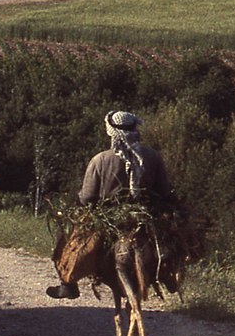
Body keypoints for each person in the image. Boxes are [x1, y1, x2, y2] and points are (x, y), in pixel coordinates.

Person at [46, 110, 174, 300]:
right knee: (170, 238)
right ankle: (168, 276)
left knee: (68, 237)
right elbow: (164, 190)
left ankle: (68, 285)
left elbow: (88, 196)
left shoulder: (100, 159)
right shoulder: (153, 156)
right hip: (144, 216)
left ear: (111, 132)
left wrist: (78, 203)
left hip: (107, 219)